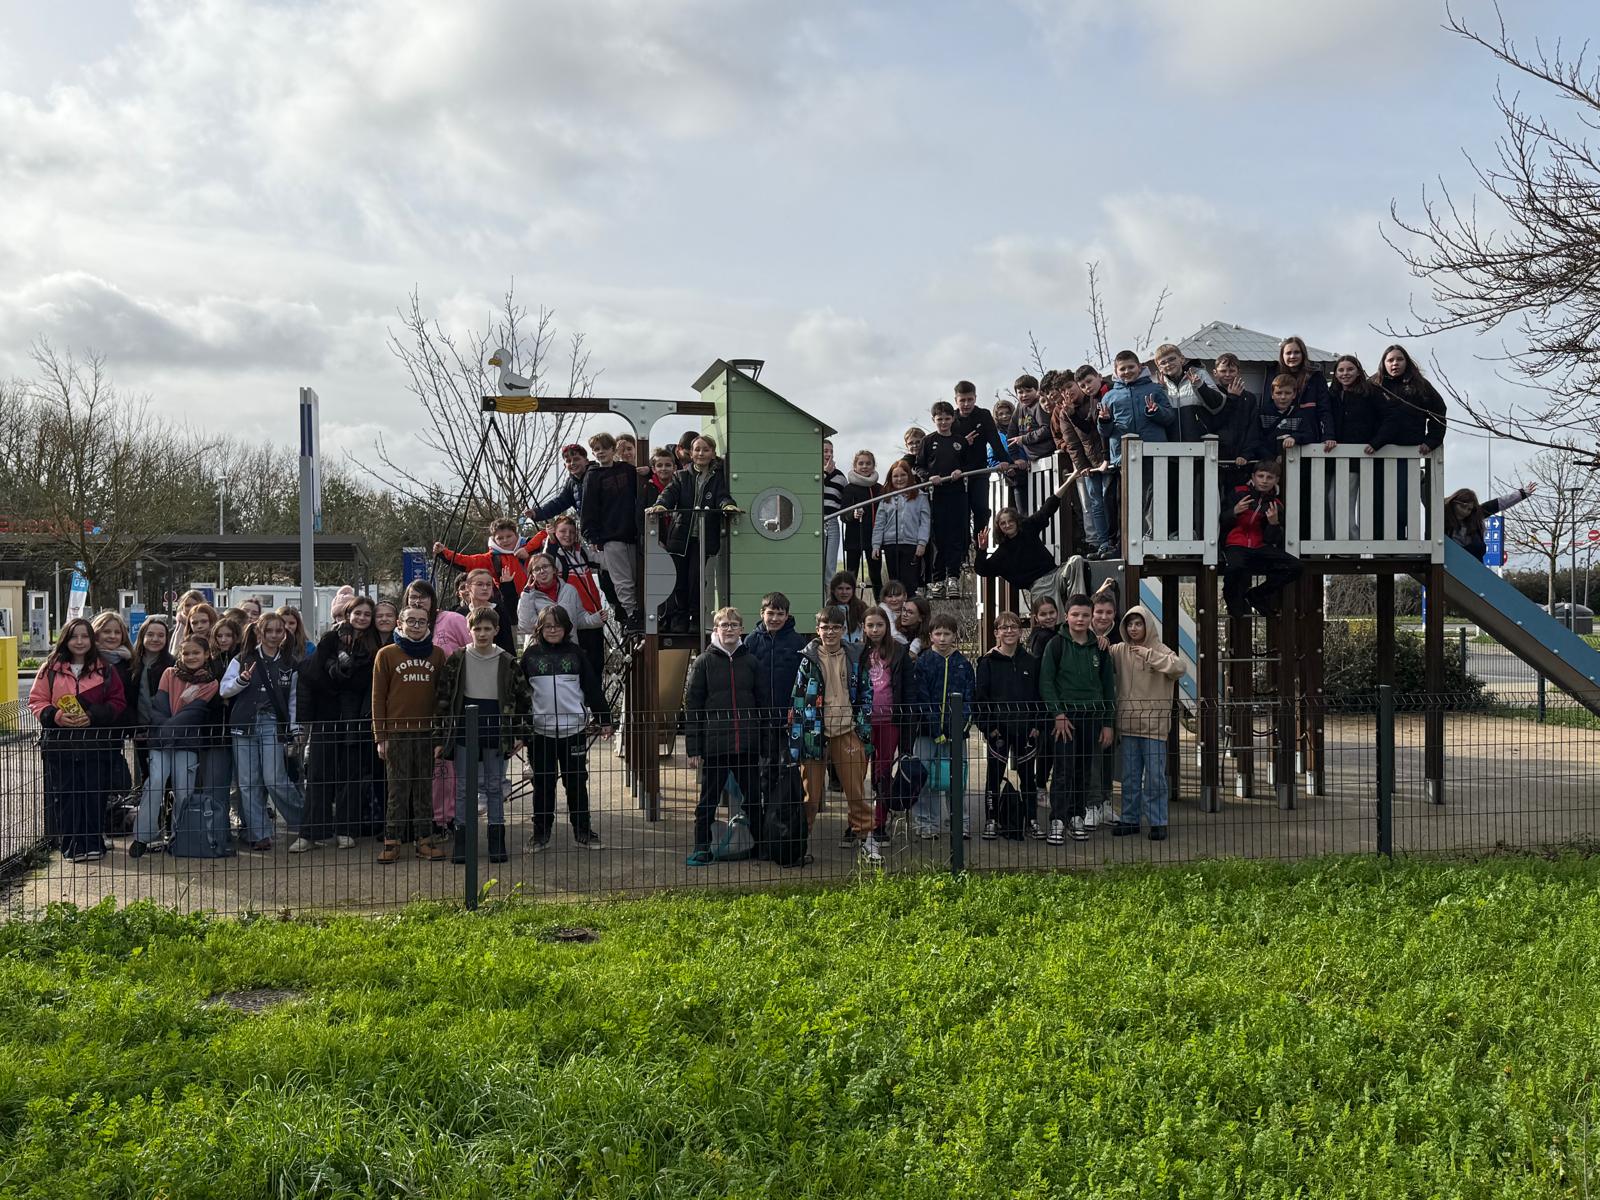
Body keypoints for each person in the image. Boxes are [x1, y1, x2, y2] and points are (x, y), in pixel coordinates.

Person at [436, 605, 533, 864]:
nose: (482, 633)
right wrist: (440, 737)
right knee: (463, 787)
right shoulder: (457, 658)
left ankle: (496, 841)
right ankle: (463, 843)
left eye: (487, 629)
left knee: (494, 785)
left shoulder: (507, 661)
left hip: (496, 728)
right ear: (469, 630)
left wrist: (520, 734)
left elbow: (523, 700)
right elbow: (443, 698)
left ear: (496, 630)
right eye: (477, 628)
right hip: (465, 727)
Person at [28, 617, 127, 862]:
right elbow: (37, 700)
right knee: (66, 796)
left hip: (95, 744)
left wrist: (92, 716)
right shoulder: (50, 669)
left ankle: (93, 844)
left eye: (84, 636)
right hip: (61, 745)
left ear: (91, 640)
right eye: (74, 636)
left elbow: (117, 702)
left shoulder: (105, 669)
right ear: (65, 639)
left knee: (94, 795)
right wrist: (56, 716)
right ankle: (72, 846)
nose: (79, 641)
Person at [788, 606, 877, 862]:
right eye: (825, 627)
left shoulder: (856, 657)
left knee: (856, 791)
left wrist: (863, 730)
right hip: (813, 733)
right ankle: (800, 843)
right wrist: (797, 738)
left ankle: (866, 839)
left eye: (835, 627)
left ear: (843, 630)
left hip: (847, 730)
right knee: (810, 795)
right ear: (817, 630)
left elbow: (866, 693)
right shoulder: (807, 659)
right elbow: (797, 699)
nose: (830, 632)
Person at [520, 605, 611, 851]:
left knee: (576, 783)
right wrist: (521, 730)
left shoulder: (577, 654)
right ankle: (540, 833)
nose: (553, 630)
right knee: (543, 785)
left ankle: (583, 832)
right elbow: (520, 696)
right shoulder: (530, 656)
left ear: (566, 628)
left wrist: (605, 719)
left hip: (573, 731)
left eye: (558, 626)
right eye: (548, 626)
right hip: (541, 733)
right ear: (540, 628)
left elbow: (592, 688)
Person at [295, 594, 380, 852]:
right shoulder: (331, 638)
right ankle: (310, 833)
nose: (361, 618)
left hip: (356, 718)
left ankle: (346, 829)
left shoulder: (374, 645)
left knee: (351, 777)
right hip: (326, 715)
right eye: (357, 613)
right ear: (347, 614)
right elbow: (313, 672)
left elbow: (365, 682)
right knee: (318, 774)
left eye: (367, 614)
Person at [684, 607, 765, 865]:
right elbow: (693, 706)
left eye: (734, 625)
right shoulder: (703, 663)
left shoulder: (751, 662)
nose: (729, 629)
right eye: (724, 625)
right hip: (715, 745)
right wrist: (693, 749)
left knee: (753, 799)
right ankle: (701, 847)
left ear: (742, 629)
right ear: (716, 629)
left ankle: (762, 845)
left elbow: (762, 703)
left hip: (746, 744)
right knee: (707, 801)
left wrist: (763, 742)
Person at [220, 610, 305, 852]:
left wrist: (295, 727)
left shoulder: (289, 663)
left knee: (274, 778)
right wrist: (241, 681)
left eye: (279, 631)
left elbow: (293, 699)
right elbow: (224, 690)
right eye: (269, 631)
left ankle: (304, 821)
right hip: (243, 723)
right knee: (248, 782)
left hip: (272, 723)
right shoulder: (242, 659)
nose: (274, 635)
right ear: (259, 632)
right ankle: (260, 833)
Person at [129, 633, 218, 857]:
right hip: (161, 741)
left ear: (206, 654)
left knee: (183, 788)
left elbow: (192, 713)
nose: (190, 657)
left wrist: (167, 727)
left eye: (196, 653)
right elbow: (159, 706)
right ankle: (143, 835)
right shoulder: (169, 673)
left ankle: (180, 836)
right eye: (186, 653)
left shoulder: (211, 683)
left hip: (186, 742)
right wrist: (166, 727)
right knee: (155, 782)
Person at [371, 606, 448, 863]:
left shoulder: (437, 654)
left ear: (428, 625)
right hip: (396, 733)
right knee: (397, 789)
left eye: (421, 622)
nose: (416, 626)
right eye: (411, 621)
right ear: (399, 623)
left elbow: (442, 698)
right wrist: (380, 736)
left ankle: (424, 840)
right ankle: (392, 841)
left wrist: (439, 737)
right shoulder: (386, 654)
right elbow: (378, 697)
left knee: (424, 788)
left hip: (426, 733)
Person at [1039, 594, 1115, 844]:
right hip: (1065, 719)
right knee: (1063, 770)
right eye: (1075, 615)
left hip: (1091, 716)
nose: (1080, 619)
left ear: (1091, 617)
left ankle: (1077, 817)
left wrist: (1107, 723)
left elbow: (1108, 687)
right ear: (1066, 616)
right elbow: (1046, 682)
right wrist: (1058, 714)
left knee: (1084, 771)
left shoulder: (1100, 648)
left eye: (1085, 615)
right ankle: (1058, 820)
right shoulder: (1056, 645)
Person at [1106, 604, 1185, 841]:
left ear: (1147, 626)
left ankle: (1158, 822)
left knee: (1155, 778)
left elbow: (1179, 668)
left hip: (1154, 727)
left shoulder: (1160, 649)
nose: (1133, 628)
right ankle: (1130, 819)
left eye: (1138, 624)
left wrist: (1149, 655)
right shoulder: (1119, 650)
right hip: (1128, 725)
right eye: (1129, 624)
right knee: (1129, 777)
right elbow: (1101, 653)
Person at [647, 434, 739, 635]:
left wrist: (727, 505)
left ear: (713, 453)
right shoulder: (681, 476)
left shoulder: (717, 477)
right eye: (697, 449)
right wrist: (661, 505)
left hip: (703, 538)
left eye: (706, 450)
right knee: (679, 580)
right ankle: (680, 617)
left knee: (696, 579)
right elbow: (669, 494)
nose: (701, 453)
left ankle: (696, 617)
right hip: (681, 536)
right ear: (691, 452)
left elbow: (722, 496)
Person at [973, 476, 1088, 613]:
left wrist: (1069, 481)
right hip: (1039, 585)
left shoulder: (1028, 527)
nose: (1007, 525)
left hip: (1056, 573)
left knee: (1076, 560)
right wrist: (982, 549)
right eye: (1003, 523)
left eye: (1010, 521)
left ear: (1016, 521)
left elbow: (1048, 507)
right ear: (999, 528)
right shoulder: (1003, 553)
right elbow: (982, 569)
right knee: (1053, 615)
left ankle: (1078, 607)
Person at [1369, 344, 1449, 539]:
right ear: (1383, 363)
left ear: (1406, 362)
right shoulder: (1374, 385)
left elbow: (1439, 411)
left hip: (1408, 453)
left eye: (1399, 359)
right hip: (1378, 451)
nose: (1394, 363)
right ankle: (1380, 544)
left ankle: (1400, 540)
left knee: (1402, 502)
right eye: (1390, 360)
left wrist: (1432, 440)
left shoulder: (1419, 385)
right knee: (1378, 501)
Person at [908, 612, 975, 840]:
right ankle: (926, 823)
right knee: (925, 778)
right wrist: (937, 730)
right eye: (938, 634)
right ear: (931, 636)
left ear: (955, 635)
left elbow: (969, 699)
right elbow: (922, 699)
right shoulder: (923, 662)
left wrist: (959, 729)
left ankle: (959, 822)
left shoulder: (963, 664)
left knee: (956, 778)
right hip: (927, 733)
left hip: (956, 735)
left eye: (947, 634)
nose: (943, 638)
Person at [974, 611, 1041, 840]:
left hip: (1025, 730)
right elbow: (980, 700)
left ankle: (1031, 820)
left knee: (1028, 778)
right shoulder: (987, 662)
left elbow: (1039, 697)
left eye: (1013, 627)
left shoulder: (1031, 661)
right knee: (994, 777)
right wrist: (989, 728)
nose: (1009, 631)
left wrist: (1037, 725)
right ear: (996, 633)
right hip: (998, 731)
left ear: (1021, 632)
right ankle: (991, 820)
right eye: (1004, 627)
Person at [1098, 351, 1176, 540]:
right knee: (1129, 498)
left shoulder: (1155, 389)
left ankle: (1152, 537)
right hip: (1124, 456)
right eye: (1122, 369)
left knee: (1154, 495)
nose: (1127, 371)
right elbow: (1105, 432)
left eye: (1131, 367)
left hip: (1153, 452)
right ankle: (1129, 539)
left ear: (1139, 367)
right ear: (1116, 371)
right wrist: (1105, 421)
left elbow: (1169, 417)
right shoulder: (1109, 396)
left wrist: (1155, 412)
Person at [1221, 459, 1301, 618]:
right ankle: (1231, 600)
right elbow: (1221, 520)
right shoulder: (1238, 492)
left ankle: (1257, 594)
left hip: (1259, 546)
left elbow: (1272, 540)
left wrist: (1273, 523)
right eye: (1260, 476)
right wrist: (1234, 511)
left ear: (1276, 480)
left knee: (1296, 566)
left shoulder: (1275, 504)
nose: (1264, 481)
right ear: (1253, 477)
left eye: (1269, 477)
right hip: (1235, 543)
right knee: (1235, 568)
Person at [860, 607, 914, 844]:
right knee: (856, 772)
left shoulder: (899, 652)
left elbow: (908, 689)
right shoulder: (857, 652)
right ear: (864, 628)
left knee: (882, 772)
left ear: (887, 627)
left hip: (889, 721)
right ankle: (857, 823)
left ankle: (879, 822)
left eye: (879, 625)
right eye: (870, 625)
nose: (875, 630)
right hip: (863, 723)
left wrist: (908, 723)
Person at [580, 431, 641, 632]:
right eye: (596, 449)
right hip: (610, 536)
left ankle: (639, 611)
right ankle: (631, 613)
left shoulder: (626, 470)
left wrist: (646, 471)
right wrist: (592, 536)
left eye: (605, 448)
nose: (601, 452)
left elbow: (641, 485)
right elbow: (588, 508)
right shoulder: (592, 476)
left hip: (632, 533)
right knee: (622, 579)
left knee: (636, 575)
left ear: (613, 450)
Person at [745, 591, 809, 757]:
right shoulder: (751, 641)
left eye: (780, 614)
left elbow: (803, 680)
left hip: (788, 716)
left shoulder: (798, 642)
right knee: (764, 764)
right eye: (770, 613)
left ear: (787, 615)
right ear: (762, 613)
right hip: (760, 717)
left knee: (788, 763)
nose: (775, 618)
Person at [915, 401, 968, 597]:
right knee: (938, 538)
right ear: (933, 420)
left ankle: (953, 577)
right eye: (940, 419)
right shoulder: (928, 441)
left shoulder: (960, 441)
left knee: (955, 537)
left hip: (957, 494)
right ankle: (937, 581)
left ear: (953, 418)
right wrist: (929, 477)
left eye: (947, 418)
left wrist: (960, 471)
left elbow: (968, 464)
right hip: (936, 495)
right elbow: (918, 466)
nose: (944, 422)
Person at [952, 379, 1016, 539]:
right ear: (956, 400)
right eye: (962, 400)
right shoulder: (951, 419)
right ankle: (964, 549)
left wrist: (1005, 461)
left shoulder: (983, 415)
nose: (966, 404)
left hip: (979, 470)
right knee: (961, 513)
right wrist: (962, 443)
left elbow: (994, 440)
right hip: (958, 473)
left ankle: (980, 545)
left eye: (970, 399)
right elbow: (947, 447)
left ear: (975, 398)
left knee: (981, 509)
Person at [1086, 588, 1122, 830]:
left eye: (1108, 612)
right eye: (1099, 612)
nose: (1103, 617)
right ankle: (1093, 803)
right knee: (1092, 758)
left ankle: (1106, 801)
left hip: (1113, 704)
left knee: (1109, 755)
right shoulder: (1083, 635)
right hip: (1089, 706)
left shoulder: (1120, 636)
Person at [91, 611, 137, 803]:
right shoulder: (88, 659)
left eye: (117, 632)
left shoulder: (129, 662)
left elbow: (132, 697)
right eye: (106, 631)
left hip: (116, 729)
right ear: (96, 634)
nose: (112, 636)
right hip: (91, 727)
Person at [127, 615, 175, 793]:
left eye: (161, 635)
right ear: (142, 636)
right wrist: (134, 726)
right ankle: (149, 810)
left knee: (168, 778)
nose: (155, 639)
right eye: (150, 634)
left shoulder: (173, 664)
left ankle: (168, 811)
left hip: (164, 729)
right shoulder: (131, 663)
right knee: (146, 776)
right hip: (140, 730)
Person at [871, 459, 930, 595]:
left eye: (903, 475)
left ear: (909, 476)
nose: (899, 479)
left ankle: (909, 606)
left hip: (911, 545)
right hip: (891, 544)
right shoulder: (886, 498)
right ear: (890, 478)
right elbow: (879, 523)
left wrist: (922, 543)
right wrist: (876, 544)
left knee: (909, 583)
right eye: (895, 476)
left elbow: (925, 522)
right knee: (894, 584)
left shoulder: (920, 497)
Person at [433, 517, 530, 595]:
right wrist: (444, 552)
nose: (505, 540)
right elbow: (467, 561)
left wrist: (535, 514)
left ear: (516, 535)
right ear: (494, 540)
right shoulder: (491, 558)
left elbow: (539, 537)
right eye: (500, 538)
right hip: (510, 602)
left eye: (509, 536)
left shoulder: (529, 547)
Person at [516, 552, 604, 638]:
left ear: (554, 569)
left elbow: (578, 619)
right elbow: (526, 627)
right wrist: (527, 594)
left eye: (545, 566)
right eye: (537, 569)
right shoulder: (527, 597)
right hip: (542, 647)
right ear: (532, 575)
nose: (542, 571)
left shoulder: (569, 590)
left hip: (569, 646)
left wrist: (597, 618)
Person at [1153, 343, 1227, 442]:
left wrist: (1200, 386)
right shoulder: (1159, 385)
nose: (1168, 364)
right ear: (1159, 367)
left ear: (1182, 359)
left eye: (1172, 359)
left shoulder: (1199, 374)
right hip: (1171, 445)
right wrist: (1162, 391)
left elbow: (1217, 404)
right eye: (1163, 363)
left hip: (1199, 442)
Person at [1209, 353, 1260, 498]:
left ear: (1238, 372)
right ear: (1215, 373)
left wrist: (1246, 454)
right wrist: (1232, 398)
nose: (1227, 374)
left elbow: (1253, 429)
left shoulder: (1249, 398)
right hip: (1216, 460)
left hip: (1241, 462)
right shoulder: (1211, 395)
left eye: (1231, 371)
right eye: (1223, 371)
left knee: (1238, 501)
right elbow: (1213, 423)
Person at [1446, 484, 1536, 561]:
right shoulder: (1442, 514)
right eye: (1462, 507)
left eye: (1469, 509)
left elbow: (1498, 503)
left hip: (1472, 558)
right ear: (1454, 503)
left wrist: (1522, 494)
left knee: (1477, 545)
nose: (1465, 512)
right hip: (1450, 557)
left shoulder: (1475, 515)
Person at [839, 449, 884, 598]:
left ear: (873, 466)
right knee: (851, 576)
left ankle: (880, 605)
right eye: (861, 463)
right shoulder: (849, 489)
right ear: (855, 466)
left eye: (868, 463)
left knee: (875, 575)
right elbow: (843, 515)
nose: (864, 466)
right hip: (854, 538)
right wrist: (852, 514)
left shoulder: (879, 488)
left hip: (874, 539)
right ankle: (849, 605)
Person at [527, 442, 591, 532]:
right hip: (591, 533)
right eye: (568, 461)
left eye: (576, 459)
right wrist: (536, 513)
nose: (572, 463)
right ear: (565, 466)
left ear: (586, 461)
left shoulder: (598, 475)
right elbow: (559, 503)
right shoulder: (572, 483)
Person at [462, 566, 518, 654]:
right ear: (468, 587)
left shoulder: (500, 610)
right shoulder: (460, 613)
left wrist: (507, 585)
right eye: (479, 584)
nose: (485, 588)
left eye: (488, 584)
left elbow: (511, 606)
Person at [822, 439, 847, 593]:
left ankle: (830, 603)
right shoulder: (810, 474)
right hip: (813, 522)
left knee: (829, 568)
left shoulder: (840, 477)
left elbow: (847, 499)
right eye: (825, 451)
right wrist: (825, 473)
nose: (829, 454)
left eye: (831, 451)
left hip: (831, 523)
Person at [826, 571, 869, 643]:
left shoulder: (861, 607)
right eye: (840, 588)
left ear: (853, 590)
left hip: (858, 647)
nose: (844, 592)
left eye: (848, 588)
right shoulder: (828, 609)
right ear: (833, 590)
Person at [876, 580, 911, 645]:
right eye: (890, 596)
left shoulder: (910, 608)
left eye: (897, 595)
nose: (894, 600)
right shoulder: (881, 612)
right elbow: (893, 634)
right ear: (884, 599)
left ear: (905, 596)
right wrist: (908, 645)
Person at [898, 594, 931, 658]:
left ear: (921, 618)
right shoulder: (895, 632)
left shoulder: (928, 639)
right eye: (904, 610)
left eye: (910, 612)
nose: (904, 614)